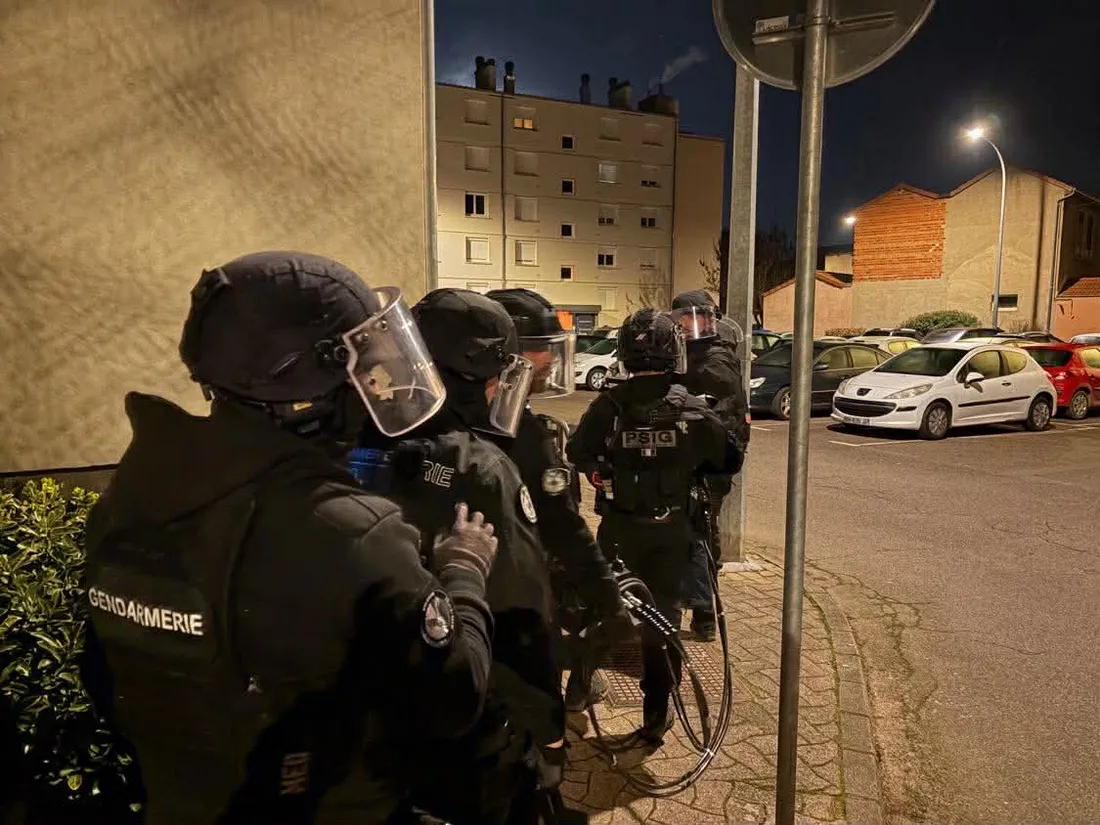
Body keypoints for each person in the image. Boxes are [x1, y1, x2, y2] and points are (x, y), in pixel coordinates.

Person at [78, 251, 498, 825]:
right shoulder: (354, 532)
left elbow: (105, 682)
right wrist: (464, 570)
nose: (376, 383)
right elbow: (453, 700)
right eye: (366, 367)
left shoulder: (131, 496)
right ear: (321, 381)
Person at [353, 288, 565, 825]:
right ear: (475, 376)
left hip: (368, 713)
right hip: (466, 713)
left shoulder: (351, 440)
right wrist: (547, 722)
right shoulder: (481, 468)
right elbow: (524, 616)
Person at [566, 308, 742, 743]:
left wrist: (599, 469)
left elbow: (577, 451)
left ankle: (576, 694)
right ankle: (655, 718)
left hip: (619, 532)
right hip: (671, 535)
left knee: (601, 610)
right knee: (661, 623)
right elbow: (729, 459)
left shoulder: (608, 405)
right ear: (674, 352)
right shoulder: (692, 407)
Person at [484, 288, 627, 713]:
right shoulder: (523, 435)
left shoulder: (480, 420)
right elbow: (562, 524)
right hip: (510, 604)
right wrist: (607, 598)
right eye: (539, 349)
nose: (549, 361)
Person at [669, 290, 750, 642]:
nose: (686, 325)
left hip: (709, 463)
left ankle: (702, 613)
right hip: (692, 459)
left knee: (698, 533)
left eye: (692, 318)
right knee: (694, 532)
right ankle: (696, 611)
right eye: (680, 319)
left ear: (708, 319)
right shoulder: (688, 353)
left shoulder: (714, 358)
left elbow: (719, 414)